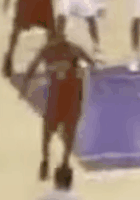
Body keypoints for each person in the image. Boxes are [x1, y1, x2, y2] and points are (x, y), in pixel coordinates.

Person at [20, 33, 97, 180]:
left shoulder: (73, 49)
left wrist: (83, 70)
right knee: (48, 130)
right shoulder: (47, 51)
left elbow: (91, 63)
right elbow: (32, 67)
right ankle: (46, 160)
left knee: (68, 130)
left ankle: (64, 161)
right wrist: (25, 84)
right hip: (57, 98)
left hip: (72, 97)